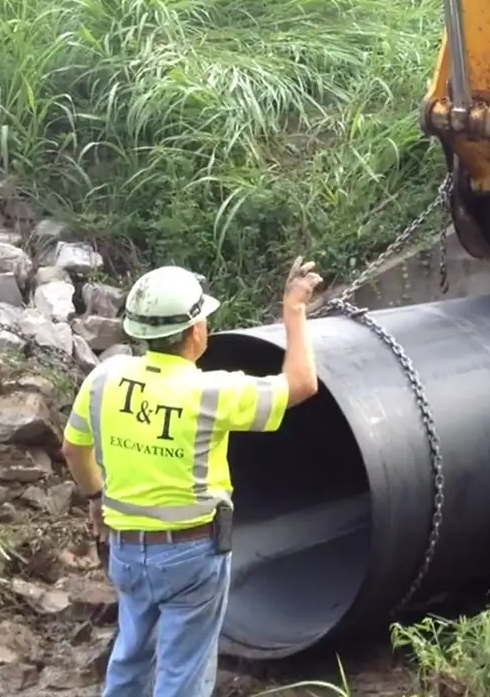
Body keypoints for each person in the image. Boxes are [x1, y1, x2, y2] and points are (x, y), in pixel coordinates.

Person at [60, 258, 324, 697]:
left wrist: (95, 499)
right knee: (183, 673)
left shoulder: (103, 379)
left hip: (125, 551)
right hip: (190, 557)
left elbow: (72, 449)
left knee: (130, 654)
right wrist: (293, 311)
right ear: (196, 332)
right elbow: (302, 384)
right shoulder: (210, 392)